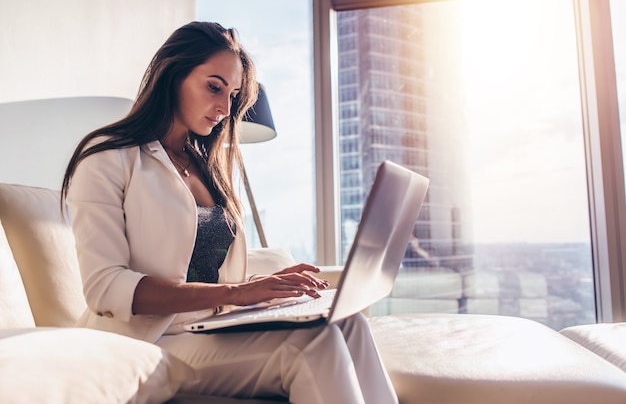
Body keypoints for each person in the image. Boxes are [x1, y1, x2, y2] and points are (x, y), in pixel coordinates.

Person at [61, 21, 398, 404]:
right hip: (145, 341)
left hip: (208, 327)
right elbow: (105, 288)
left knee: (349, 324)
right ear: (172, 75)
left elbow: (209, 276)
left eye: (233, 94)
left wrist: (267, 286)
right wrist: (239, 292)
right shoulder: (108, 157)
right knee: (312, 347)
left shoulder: (206, 165)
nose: (224, 108)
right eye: (213, 86)